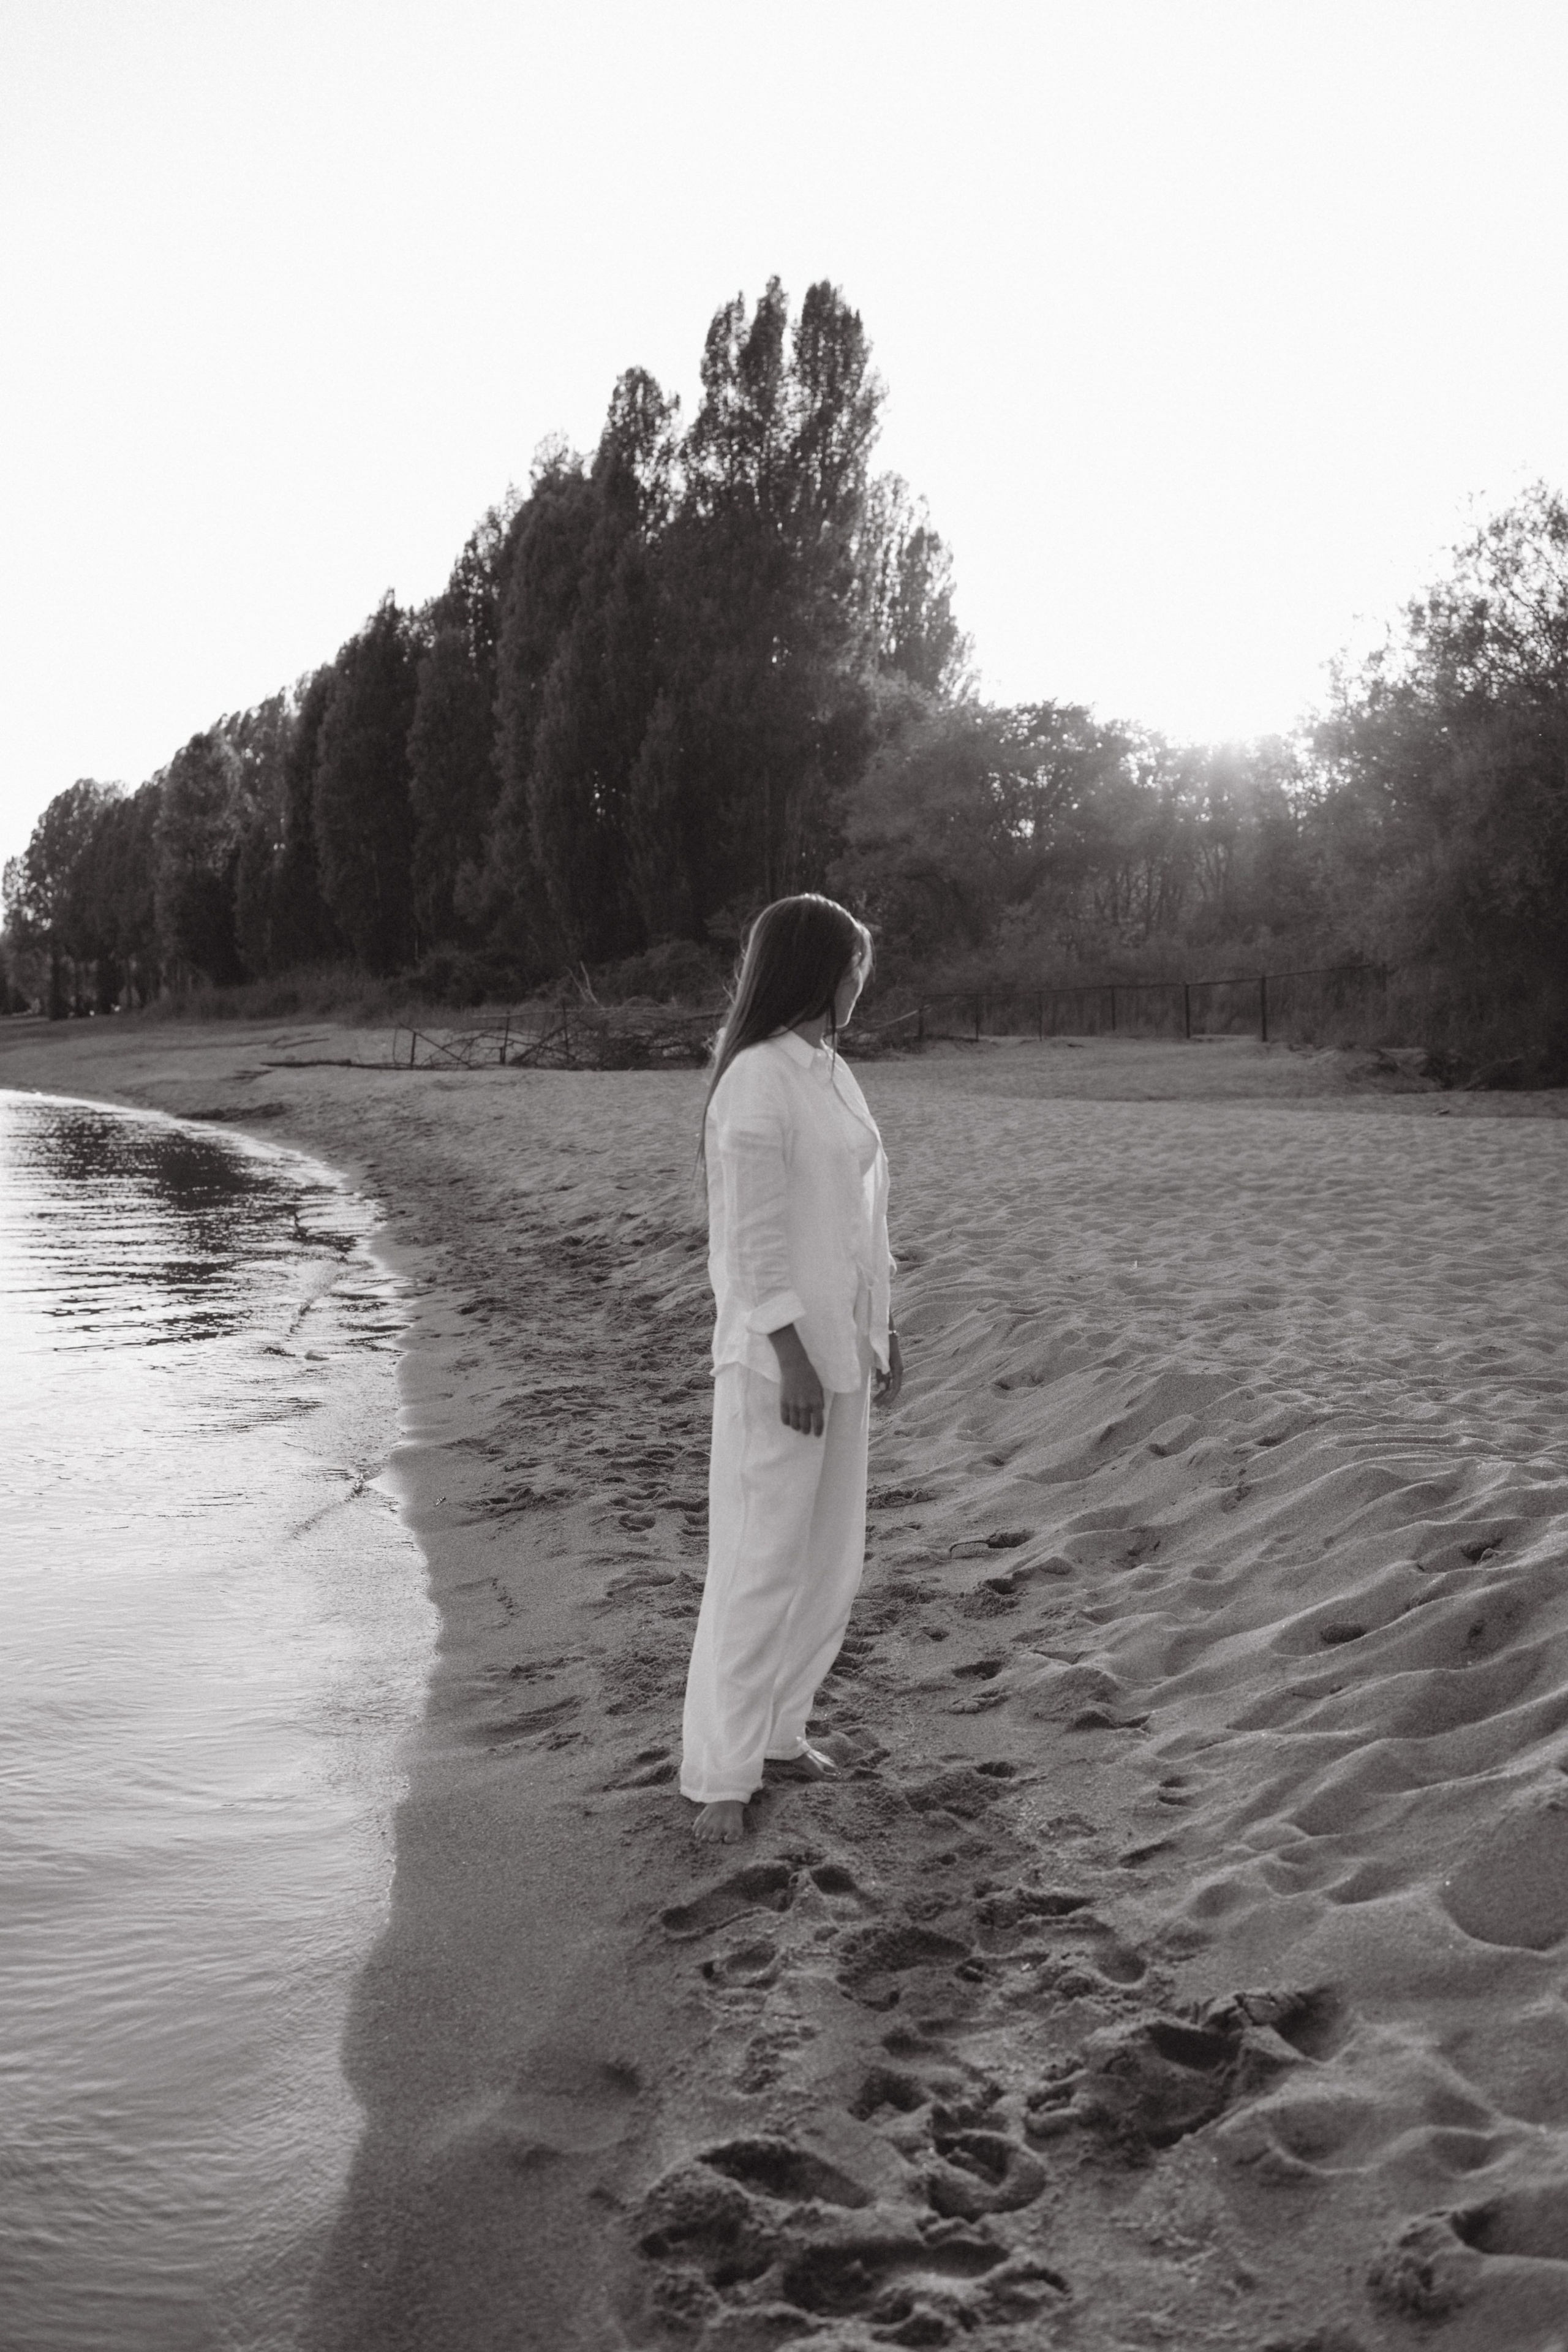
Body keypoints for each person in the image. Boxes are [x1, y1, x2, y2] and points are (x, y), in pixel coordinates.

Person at [680, 893, 903, 1847]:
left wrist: (882, 1333)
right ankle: (720, 1776)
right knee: (758, 1562)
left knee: (827, 1559)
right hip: (780, 1367)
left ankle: (780, 1732)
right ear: (821, 969)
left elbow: (864, 1221)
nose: (864, 979)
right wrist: (791, 1353)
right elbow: (750, 1243)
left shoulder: (833, 1075)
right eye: (855, 964)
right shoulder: (758, 1082)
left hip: (843, 1348)